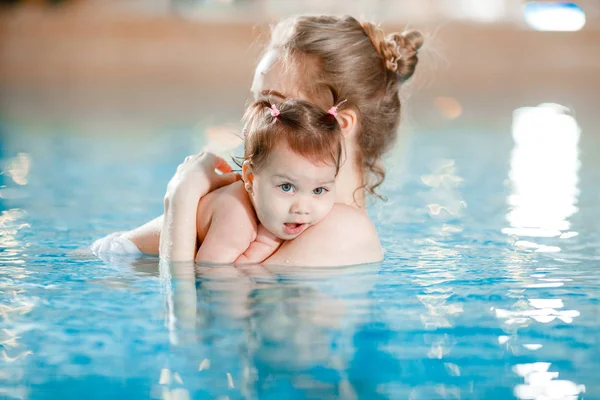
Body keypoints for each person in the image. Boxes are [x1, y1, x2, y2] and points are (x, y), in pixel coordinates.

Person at [92, 15, 424, 266]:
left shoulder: (342, 231)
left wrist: (181, 195)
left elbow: (199, 310)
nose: (256, 120)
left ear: (341, 122)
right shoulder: (270, 204)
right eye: (256, 103)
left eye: (271, 103)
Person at [194, 98, 344, 264]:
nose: (302, 208)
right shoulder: (236, 220)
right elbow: (210, 277)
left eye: (319, 190)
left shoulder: (276, 216)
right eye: (287, 187)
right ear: (250, 178)